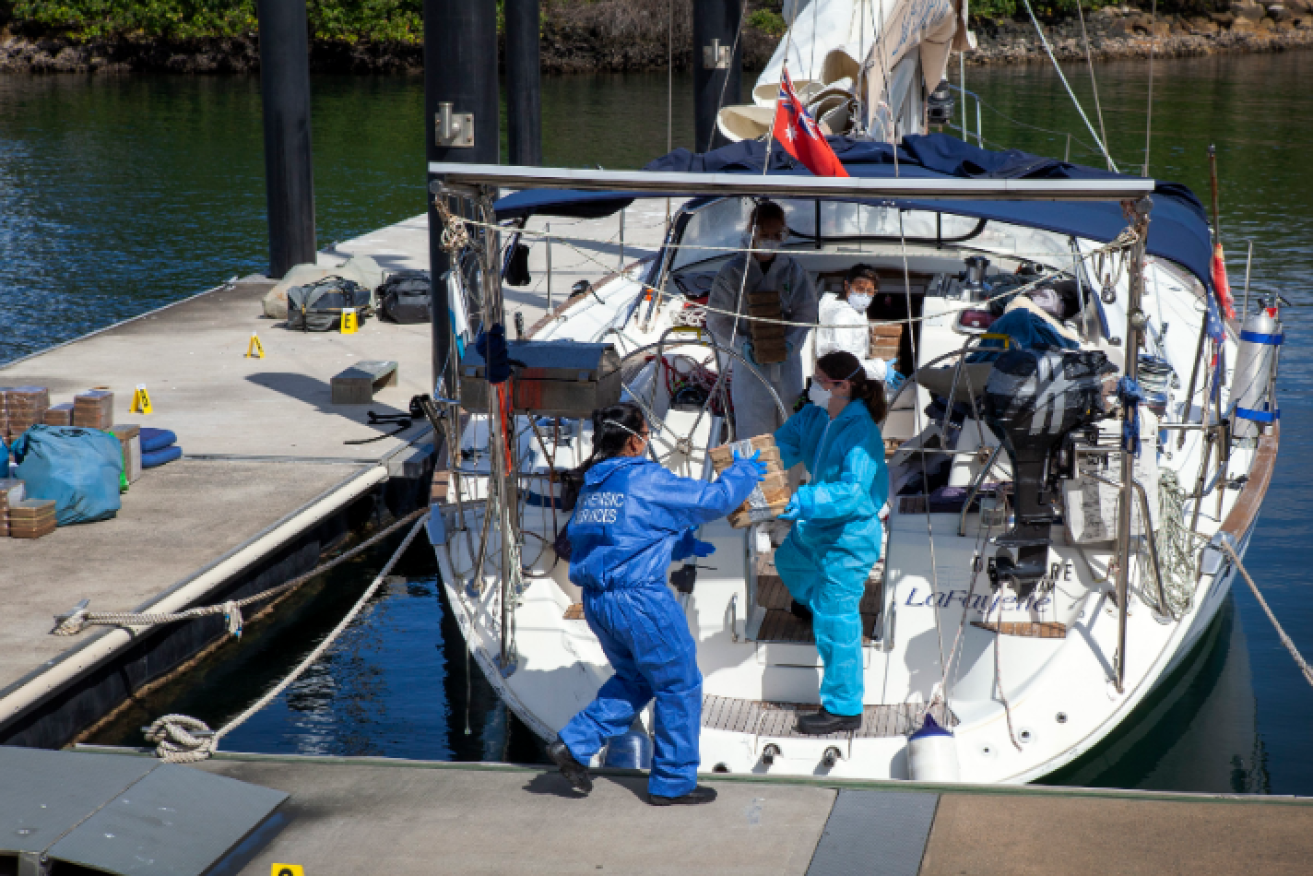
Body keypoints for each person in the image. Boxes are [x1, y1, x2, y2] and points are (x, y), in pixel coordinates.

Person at [548, 402, 767, 805]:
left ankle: (574, 743)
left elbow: (618, 532)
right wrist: (743, 473)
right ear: (635, 442)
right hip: (640, 602)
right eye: (646, 434)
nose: (647, 441)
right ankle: (672, 783)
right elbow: (715, 500)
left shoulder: (593, 484)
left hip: (598, 602)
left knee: (636, 680)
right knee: (679, 685)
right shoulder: (643, 477)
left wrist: (677, 542)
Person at [772, 351, 889, 735]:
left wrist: (801, 500)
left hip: (849, 537)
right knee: (789, 562)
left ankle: (843, 708)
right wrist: (742, 469)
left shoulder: (861, 432)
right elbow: (780, 448)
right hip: (818, 527)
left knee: (837, 620)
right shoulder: (814, 416)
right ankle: (810, 602)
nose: (813, 387)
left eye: (820, 380)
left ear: (843, 386)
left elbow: (853, 493)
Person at [706, 200, 819, 440]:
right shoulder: (733, 272)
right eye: (764, 233)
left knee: (790, 428)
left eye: (776, 234)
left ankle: (790, 478)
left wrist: (791, 343)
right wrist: (741, 345)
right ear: (751, 231)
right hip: (749, 369)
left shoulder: (792, 270)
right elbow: (717, 319)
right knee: (754, 433)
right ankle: (755, 479)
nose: (770, 239)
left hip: (787, 367)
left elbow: (806, 312)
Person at [815, 263, 898, 386]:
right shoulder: (842, 317)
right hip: (835, 387)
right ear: (847, 286)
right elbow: (844, 363)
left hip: (845, 382)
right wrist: (881, 370)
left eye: (869, 291)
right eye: (859, 289)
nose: (864, 295)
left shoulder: (855, 311)